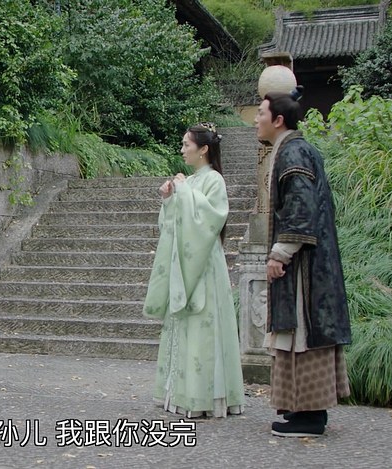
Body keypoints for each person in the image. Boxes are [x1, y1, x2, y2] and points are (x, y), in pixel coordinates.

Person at [256, 87, 351, 437]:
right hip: (311, 260)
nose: (256, 119)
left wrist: (280, 253)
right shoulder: (296, 148)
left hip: (305, 265)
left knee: (302, 331)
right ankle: (302, 410)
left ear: (278, 120)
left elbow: (300, 208)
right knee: (300, 332)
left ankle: (310, 415)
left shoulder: (293, 152)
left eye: (261, 113)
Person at [142, 122, 245, 418]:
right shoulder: (190, 181)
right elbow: (172, 224)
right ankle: (179, 391)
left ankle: (205, 396)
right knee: (184, 324)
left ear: (204, 149)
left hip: (205, 265)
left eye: (187, 144)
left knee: (203, 324)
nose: (182, 149)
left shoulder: (213, 180)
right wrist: (169, 199)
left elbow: (212, 219)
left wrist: (184, 192)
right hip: (184, 264)